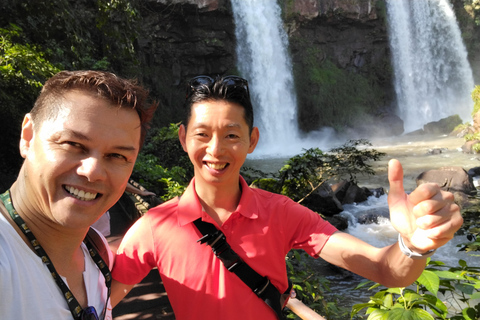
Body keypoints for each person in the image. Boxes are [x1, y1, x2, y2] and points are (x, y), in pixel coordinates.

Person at [110, 75, 463, 320]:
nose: (215, 149)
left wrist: (415, 245)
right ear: (184, 138)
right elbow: (98, 301)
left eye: (232, 134)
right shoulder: (155, 228)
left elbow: (384, 269)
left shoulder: (281, 213)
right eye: (203, 134)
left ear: (252, 140)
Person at [0, 70, 157, 320]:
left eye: (117, 156)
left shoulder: (96, 251)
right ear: (28, 137)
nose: (93, 172)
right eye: (73, 144)